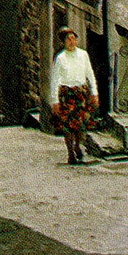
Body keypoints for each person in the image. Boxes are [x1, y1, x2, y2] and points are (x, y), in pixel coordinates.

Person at [50, 27, 99, 164]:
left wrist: (94, 92)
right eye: (68, 39)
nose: (72, 42)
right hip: (66, 94)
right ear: (64, 42)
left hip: (81, 92)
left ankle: (77, 145)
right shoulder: (60, 58)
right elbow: (55, 80)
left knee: (80, 124)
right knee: (68, 126)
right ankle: (70, 152)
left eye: (73, 38)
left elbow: (90, 74)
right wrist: (55, 101)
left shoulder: (83, 55)